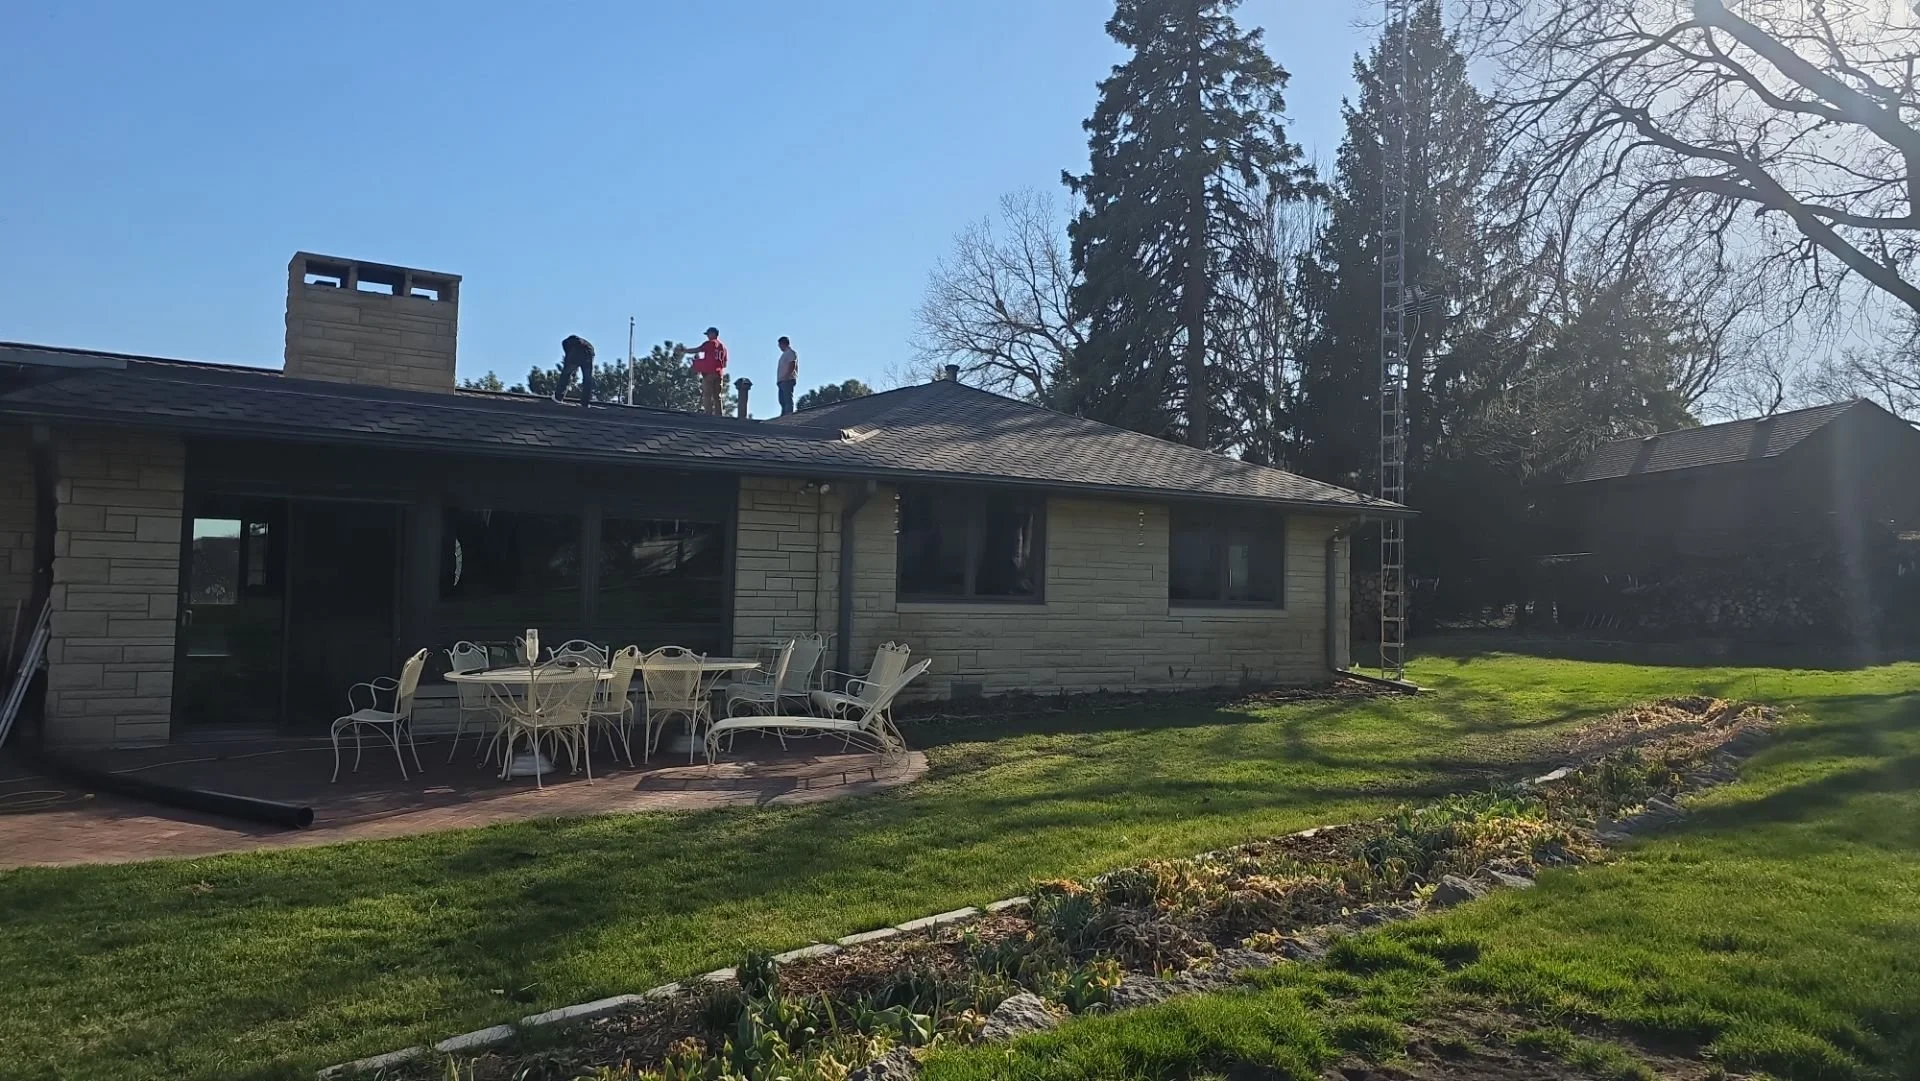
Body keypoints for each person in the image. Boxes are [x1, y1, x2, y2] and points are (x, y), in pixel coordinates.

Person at [689, 327, 728, 415]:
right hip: (719, 374)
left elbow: (697, 350)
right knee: (717, 396)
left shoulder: (710, 343)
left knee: (707, 395)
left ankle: (708, 414)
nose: (707, 336)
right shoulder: (723, 348)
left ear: (713, 334)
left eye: (708, 334)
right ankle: (719, 415)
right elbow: (724, 364)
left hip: (709, 373)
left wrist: (684, 351)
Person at [554, 334, 596, 407]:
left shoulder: (565, 343)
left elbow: (568, 359)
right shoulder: (587, 345)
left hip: (580, 352)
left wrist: (571, 366)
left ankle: (558, 396)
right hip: (588, 354)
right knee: (587, 379)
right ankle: (585, 402)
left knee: (566, 374)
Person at [775, 336, 798, 415]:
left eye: (779, 345)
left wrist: (787, 376)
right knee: (782, 400)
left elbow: (792, 364)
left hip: (787, 380)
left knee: (787, 399)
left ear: (783, 344)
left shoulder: (790, 353)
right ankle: (784, 415)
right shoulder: (784, 354)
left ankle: (788, 415)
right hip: (782, 380)